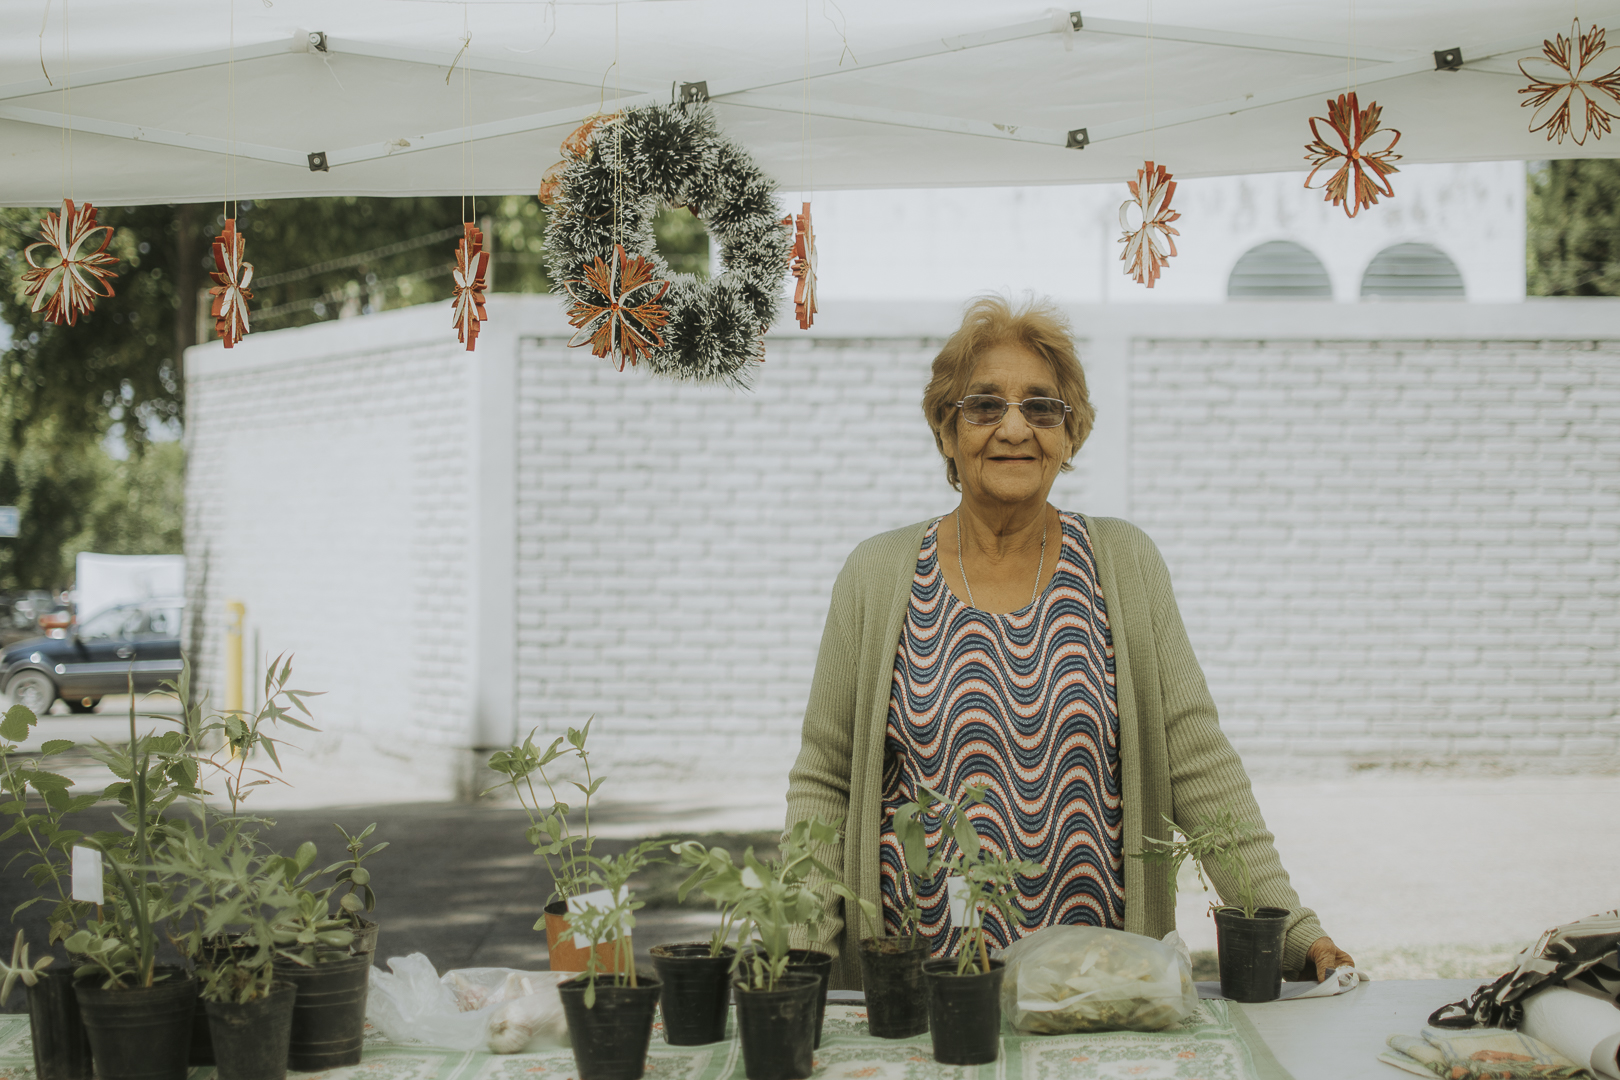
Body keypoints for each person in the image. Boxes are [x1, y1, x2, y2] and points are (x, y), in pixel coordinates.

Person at [784, 296, 1354, 991]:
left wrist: (1288, 923)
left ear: (1069, 434)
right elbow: (827, 778)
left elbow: (1196, 759)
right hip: (921, 989)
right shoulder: (878, 575)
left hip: (1099, 984)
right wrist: (796, 952)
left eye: (1042, 408)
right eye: (984, 405)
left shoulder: (1124, 563)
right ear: (945, 432)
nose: (1014, 427)